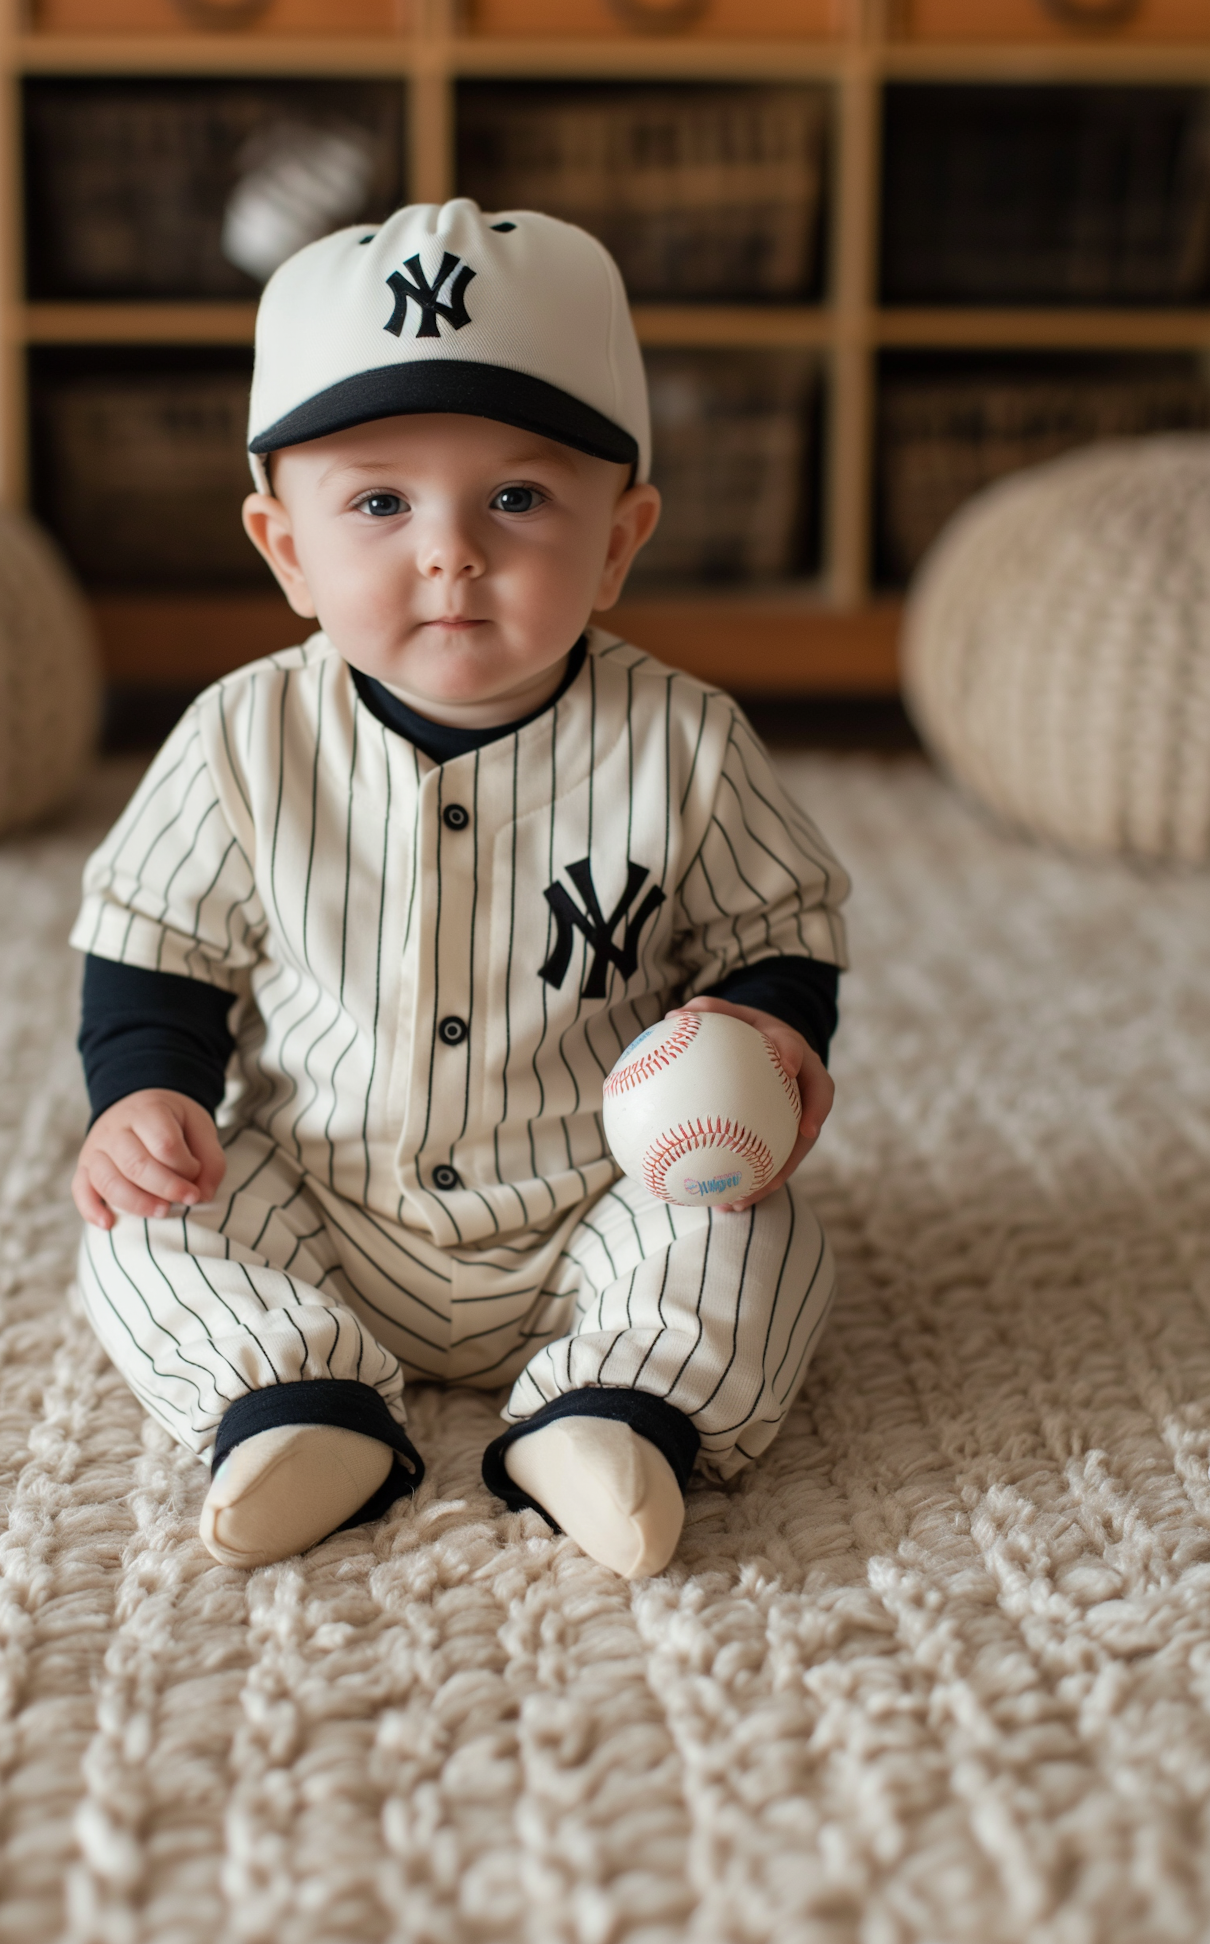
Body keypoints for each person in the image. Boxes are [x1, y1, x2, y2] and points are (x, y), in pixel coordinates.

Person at [69, 200, 849, 1581]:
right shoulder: (244, 740)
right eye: (378, 501)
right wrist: (150, 1099)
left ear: (620, 538)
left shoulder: (687, 744)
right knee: (137, 1230)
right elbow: (160, 950)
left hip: (601, 1198)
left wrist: (772, 1038)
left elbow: (772, 934)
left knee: (761, 1236)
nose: (450, 549)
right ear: (285, 547)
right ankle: (295, 1407)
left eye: (517, 497)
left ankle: (618, 1412)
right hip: (322, 1198)